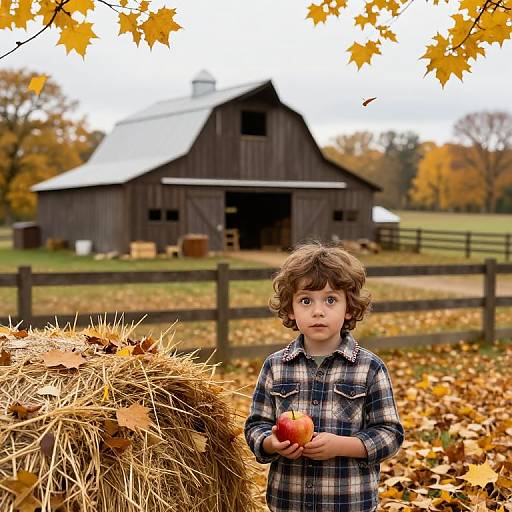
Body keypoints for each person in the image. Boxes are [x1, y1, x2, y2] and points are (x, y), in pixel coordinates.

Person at [244, 242, 404, 512]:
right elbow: (255, 426)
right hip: (288, 501)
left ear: (350, 309)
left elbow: (390, 435)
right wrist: (272, 443)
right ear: (291, 309)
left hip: (348, 502)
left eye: (331, 300)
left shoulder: (370, 368)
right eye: (306, 300)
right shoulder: (275, 366)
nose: (318, 311)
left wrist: (343, 445)